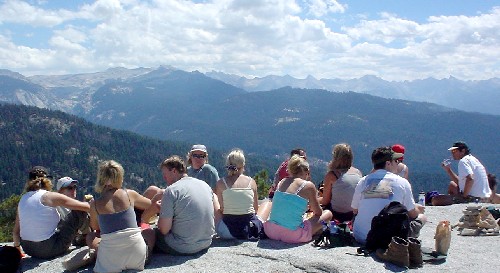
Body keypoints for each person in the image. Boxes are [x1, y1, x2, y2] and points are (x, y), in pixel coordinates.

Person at [89, 160, 155, 273]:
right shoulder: (129, 194)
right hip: (137, 258)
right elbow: (149, 204)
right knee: (150, 233)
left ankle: (94, 256)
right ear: (119, 177)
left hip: (110, 264)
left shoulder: (94, 204)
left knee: (91, 236)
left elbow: (95, 226)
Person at [351, 147, 426, 244]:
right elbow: (412, 214)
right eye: (396, 160)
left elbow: (355, 210)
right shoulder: (402, 182)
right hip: (389, 239)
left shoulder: (363, 181)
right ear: (388, 163)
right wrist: (417, 209)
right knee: (422, 217)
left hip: (361, 236)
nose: (398, 163)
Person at [142, 155, 215, 255]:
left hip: (182, 246)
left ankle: (144, 257)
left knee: (148, 232)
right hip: (206, 242)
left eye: (165, 174)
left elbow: (164, 230)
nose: (164, 178)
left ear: (174, 171)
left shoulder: (171, 191)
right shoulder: (204, 185)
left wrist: (161, 211)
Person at [12, 166, 90, 259]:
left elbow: (16, 232)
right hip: (49, 249)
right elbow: (86, 207)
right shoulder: (49, 196)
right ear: (47, 180)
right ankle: (85, 238)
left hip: (28, 249)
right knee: (78, 211)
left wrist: (17, 249)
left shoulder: (23, 199)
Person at [263, 155, 332, 243]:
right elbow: (318, 212)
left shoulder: (282, 182)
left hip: (271, 231)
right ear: (306, 172)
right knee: (328, 214)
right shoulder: (308, 186)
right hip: (293, 235)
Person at [214, 148, 267, 240]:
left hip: (227, 231)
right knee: (267, 203)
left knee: (214, 197)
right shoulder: (251, 182)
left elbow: (222, 209)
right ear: (243, 165)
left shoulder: (221, 183)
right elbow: (255, 209)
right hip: (250, 230)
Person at [320, 143, 362, 222]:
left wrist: (313, 200)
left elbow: (325, 201)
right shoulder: (358, 173)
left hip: (337, 214)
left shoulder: (332, 175)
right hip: (354, 214)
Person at [56, 177, 91, 247]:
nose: (73, 190)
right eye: (69, 188)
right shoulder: (57, 208)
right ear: (60, 192)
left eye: (74, 187)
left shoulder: (74, 205)